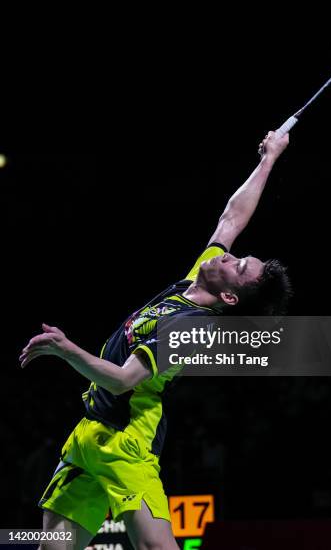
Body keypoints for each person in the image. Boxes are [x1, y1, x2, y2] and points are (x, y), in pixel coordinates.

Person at [20, 130, 292, 550]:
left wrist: (65, 348)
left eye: (237, 267)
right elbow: (231, 218)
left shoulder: (194, 327)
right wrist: (269, 158)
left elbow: (123, 380)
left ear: (230, 296)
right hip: (87, 436)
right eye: (238, 255)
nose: (228, 256)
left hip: (127, 440)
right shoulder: (194, 281)